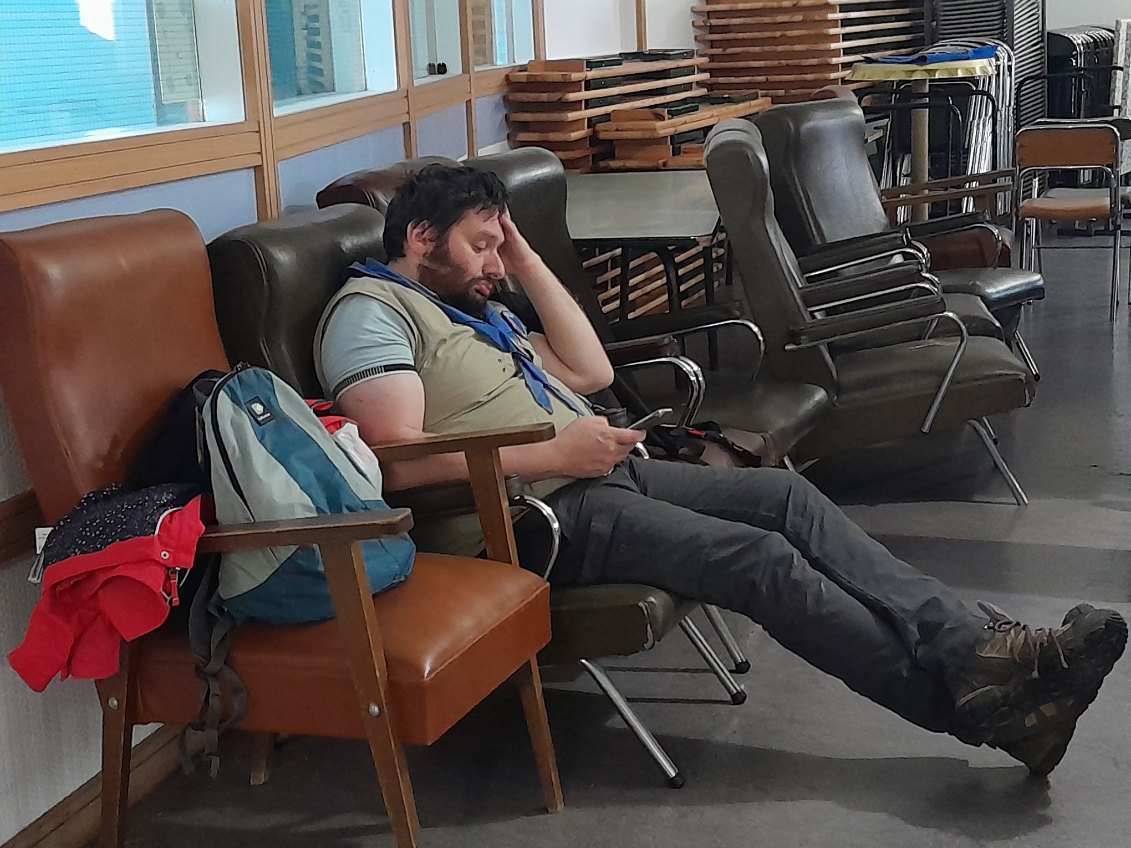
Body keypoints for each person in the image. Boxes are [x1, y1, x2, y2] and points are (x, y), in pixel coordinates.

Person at [314, 164, 1126, 777]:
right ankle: (980, 710)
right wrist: (552, 455)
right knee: (758, 559)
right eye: (480, 244)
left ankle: (974, 648)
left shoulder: (474, 309)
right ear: (420, 239)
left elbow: (590, 372)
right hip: (523, 517)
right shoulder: (372, 314)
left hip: (591, 478)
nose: (493, 261)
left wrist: (521, 261)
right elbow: (394, 461)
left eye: (499, 245)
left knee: (783, 496)